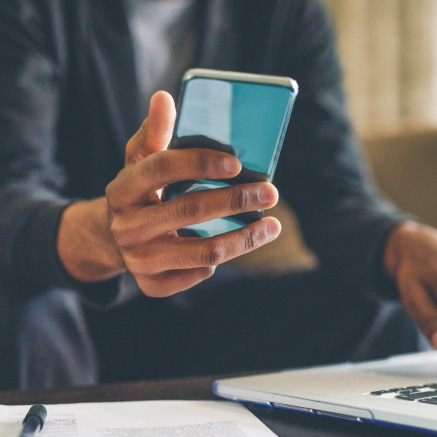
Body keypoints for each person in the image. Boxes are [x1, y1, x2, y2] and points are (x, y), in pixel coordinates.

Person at [1, 0, 437, 390]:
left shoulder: (286, 12)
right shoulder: (30, 11)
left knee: (384, 316)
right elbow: (12, 189)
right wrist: (107, 236)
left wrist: (399, 245)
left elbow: (332, 190)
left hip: (204, 307)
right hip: (69, 300)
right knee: (27, 316)